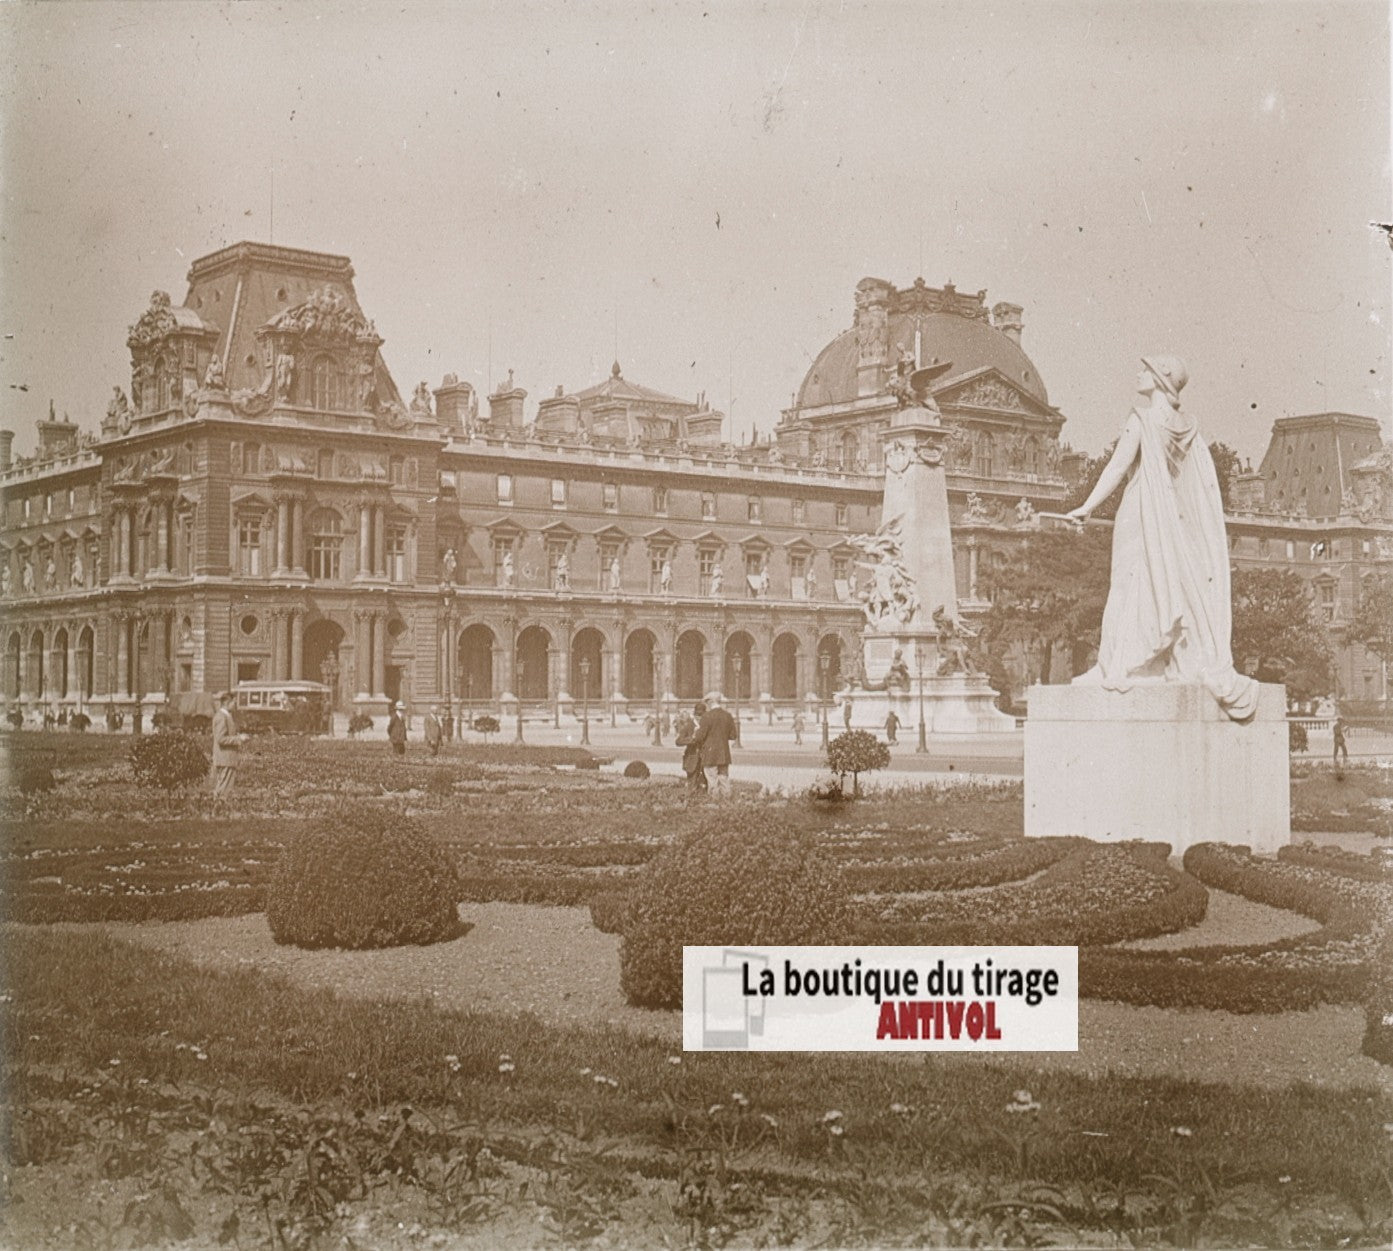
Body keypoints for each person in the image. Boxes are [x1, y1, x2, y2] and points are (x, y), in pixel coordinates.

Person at [1066, 357, 1258, 721]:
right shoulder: (1188, 427)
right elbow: (1198, 486)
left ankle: (1117, 665)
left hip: (1140, 511)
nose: (1138, 373)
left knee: (1128, 585)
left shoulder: (1141, 420)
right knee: (1159, 586)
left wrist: (1086, 506)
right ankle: (1142, 660)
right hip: (1170, 518)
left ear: (1159, 379)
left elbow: (1117, 467)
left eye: (1146, 370)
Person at [691, 698, 738, 798]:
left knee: (712, 779)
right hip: (724, 753)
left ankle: (714, 802)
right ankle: (727, 802)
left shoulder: (707, 716)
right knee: (724, 779)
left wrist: (696, 733)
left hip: (710, 753)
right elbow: (733, 735)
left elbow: (700, 737)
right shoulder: (728, 715)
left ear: (709, 703)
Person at [211, 690, 246, 810]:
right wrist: (238, 739)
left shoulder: (225, 716)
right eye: (233, 703)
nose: (235, 705)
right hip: (225, 758)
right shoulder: (222, 717)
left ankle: (218, 810)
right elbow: (221, 739)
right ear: (226, 702)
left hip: (227, 758)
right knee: (223, 787)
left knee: (223, 786)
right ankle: (217, 810)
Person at [676, 701, 706, 792]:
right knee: (692, 784)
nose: (700, 718)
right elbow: (678, 741)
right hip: (692, 758)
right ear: (695, 714)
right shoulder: (689, 725)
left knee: (705, 785)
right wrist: (692, 739)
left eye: (701, 715)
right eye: (698, 715)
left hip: (706, 758)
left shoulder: (707, 725)